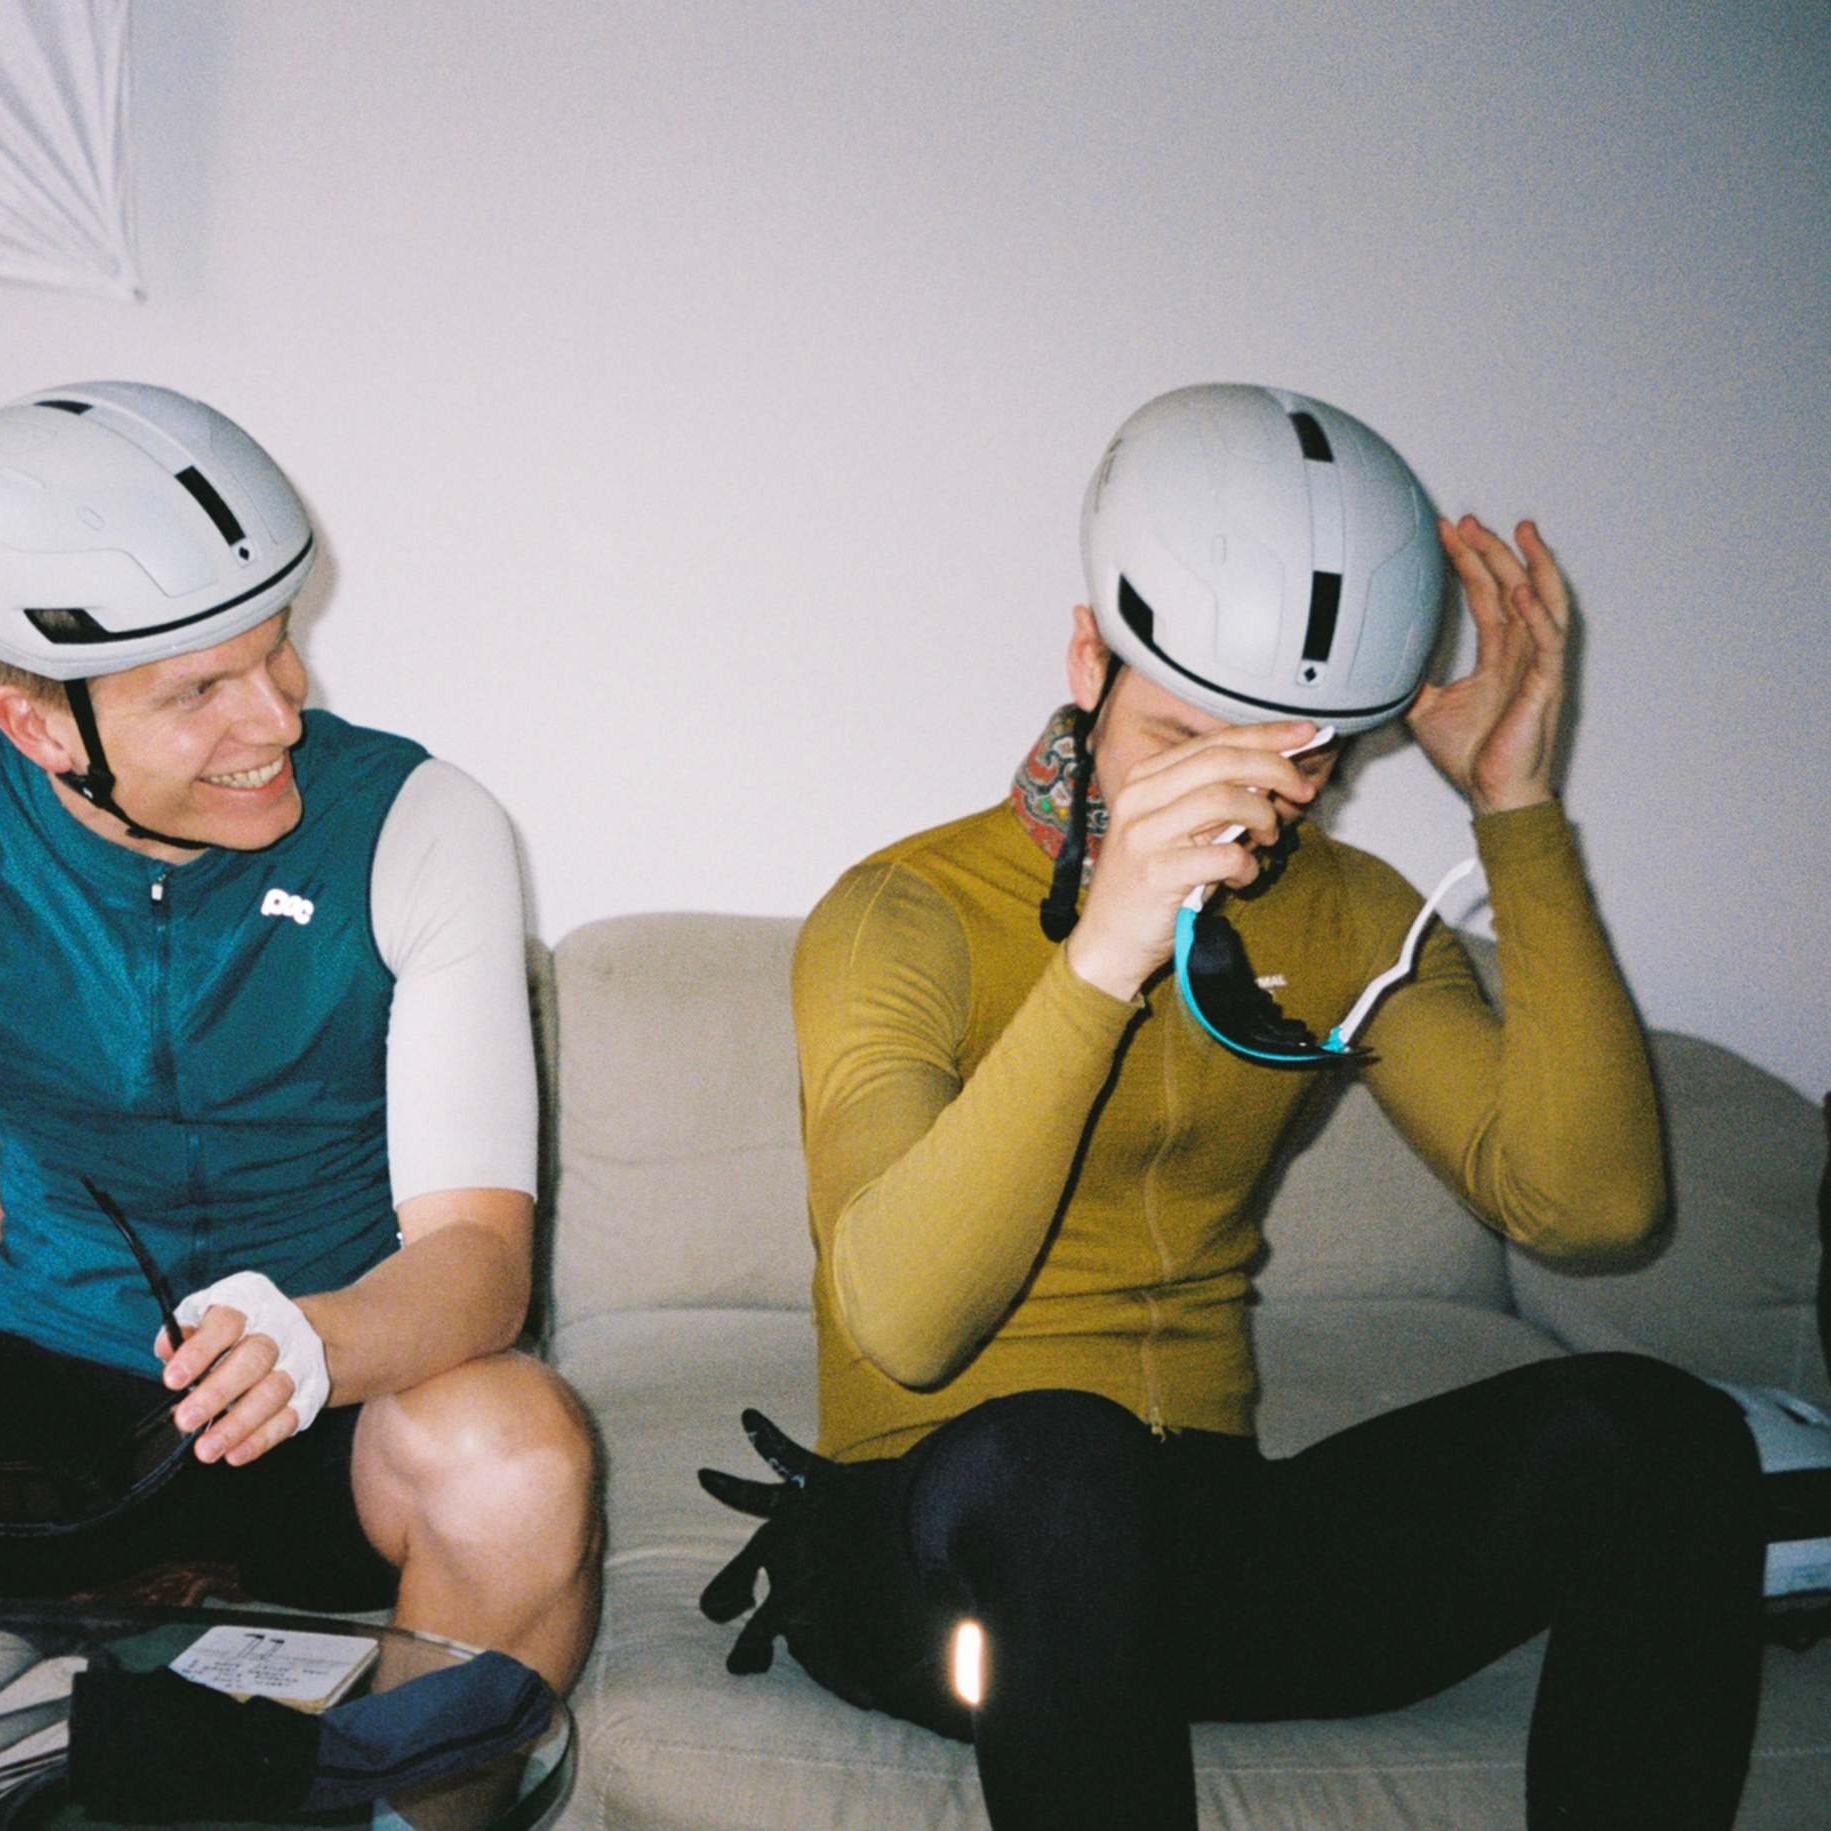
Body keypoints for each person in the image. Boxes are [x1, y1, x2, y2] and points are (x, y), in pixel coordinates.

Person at [747, 384, 1762, 1828]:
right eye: (1181, 738)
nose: (1239, 803)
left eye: (1296, 756)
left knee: (1657, 1429)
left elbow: (1592, 1209)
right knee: (1060, 1461)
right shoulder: (899, 911)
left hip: (1190, 1553)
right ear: (1088, 657)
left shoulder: (1345, 909)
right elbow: (904, 1325)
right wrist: (1101, 951)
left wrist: (1516, 809)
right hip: (939, 1568)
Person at [0, 383, 600, 1698]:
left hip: (341, 1384)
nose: (279, 717)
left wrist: (318, 1340)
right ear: (36, 725)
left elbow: (479, 1259)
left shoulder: (424, 822)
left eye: (277, 650)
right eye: (200, 690)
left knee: (515, 1452)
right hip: (46, 1393)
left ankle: (423, 1788)